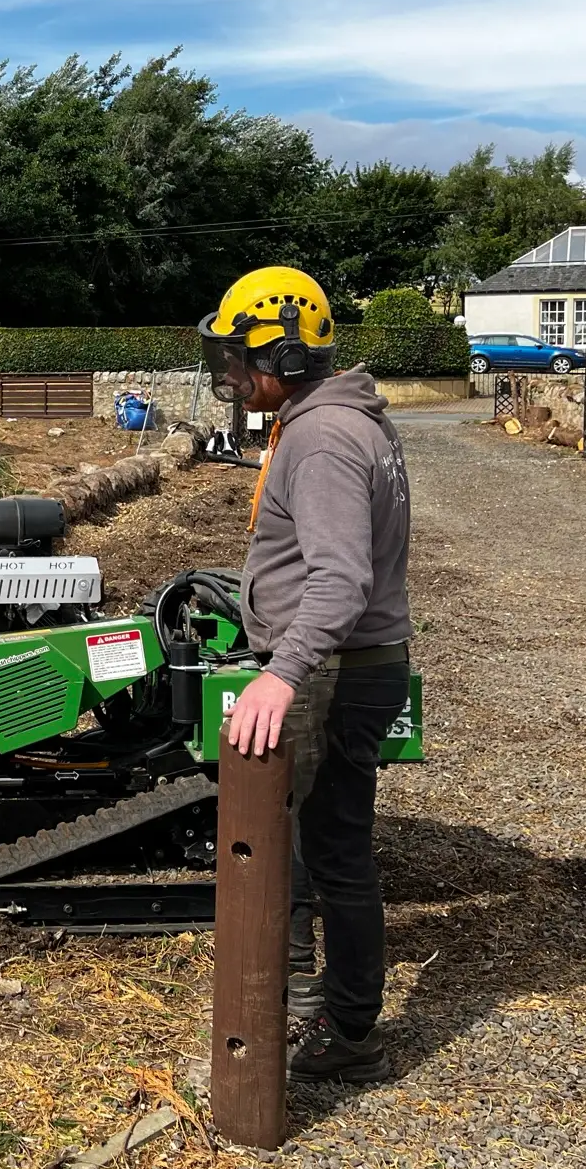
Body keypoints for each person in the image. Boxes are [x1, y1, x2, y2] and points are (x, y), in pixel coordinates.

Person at [198, 265, 413, 1085]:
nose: (227, 375)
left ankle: (350, 1028)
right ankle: (291, 988)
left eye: (235, 357)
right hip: (347, 662)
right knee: (305, 835)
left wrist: (282, 672)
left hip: (332, 669)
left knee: (335, 851)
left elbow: (341, 577)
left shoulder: (321, 438)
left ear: (283, 355)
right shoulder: (342, 421)